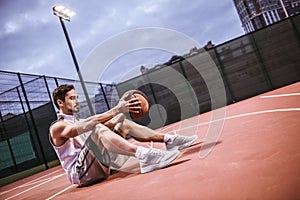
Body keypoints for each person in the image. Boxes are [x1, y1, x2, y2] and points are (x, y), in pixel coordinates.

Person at [49, 84, 197, 186]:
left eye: (76, 97)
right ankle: (144, 156)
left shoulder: (78, 120)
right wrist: (116, 109)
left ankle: (169, 140)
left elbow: (101, 126)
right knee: (96, 127)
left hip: (100, 164)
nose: (77, 101)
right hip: (82, 173)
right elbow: (83, 127)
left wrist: (119, 116)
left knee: (122, 123)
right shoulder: (58, 127)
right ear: (60, 103)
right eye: (72, 98)